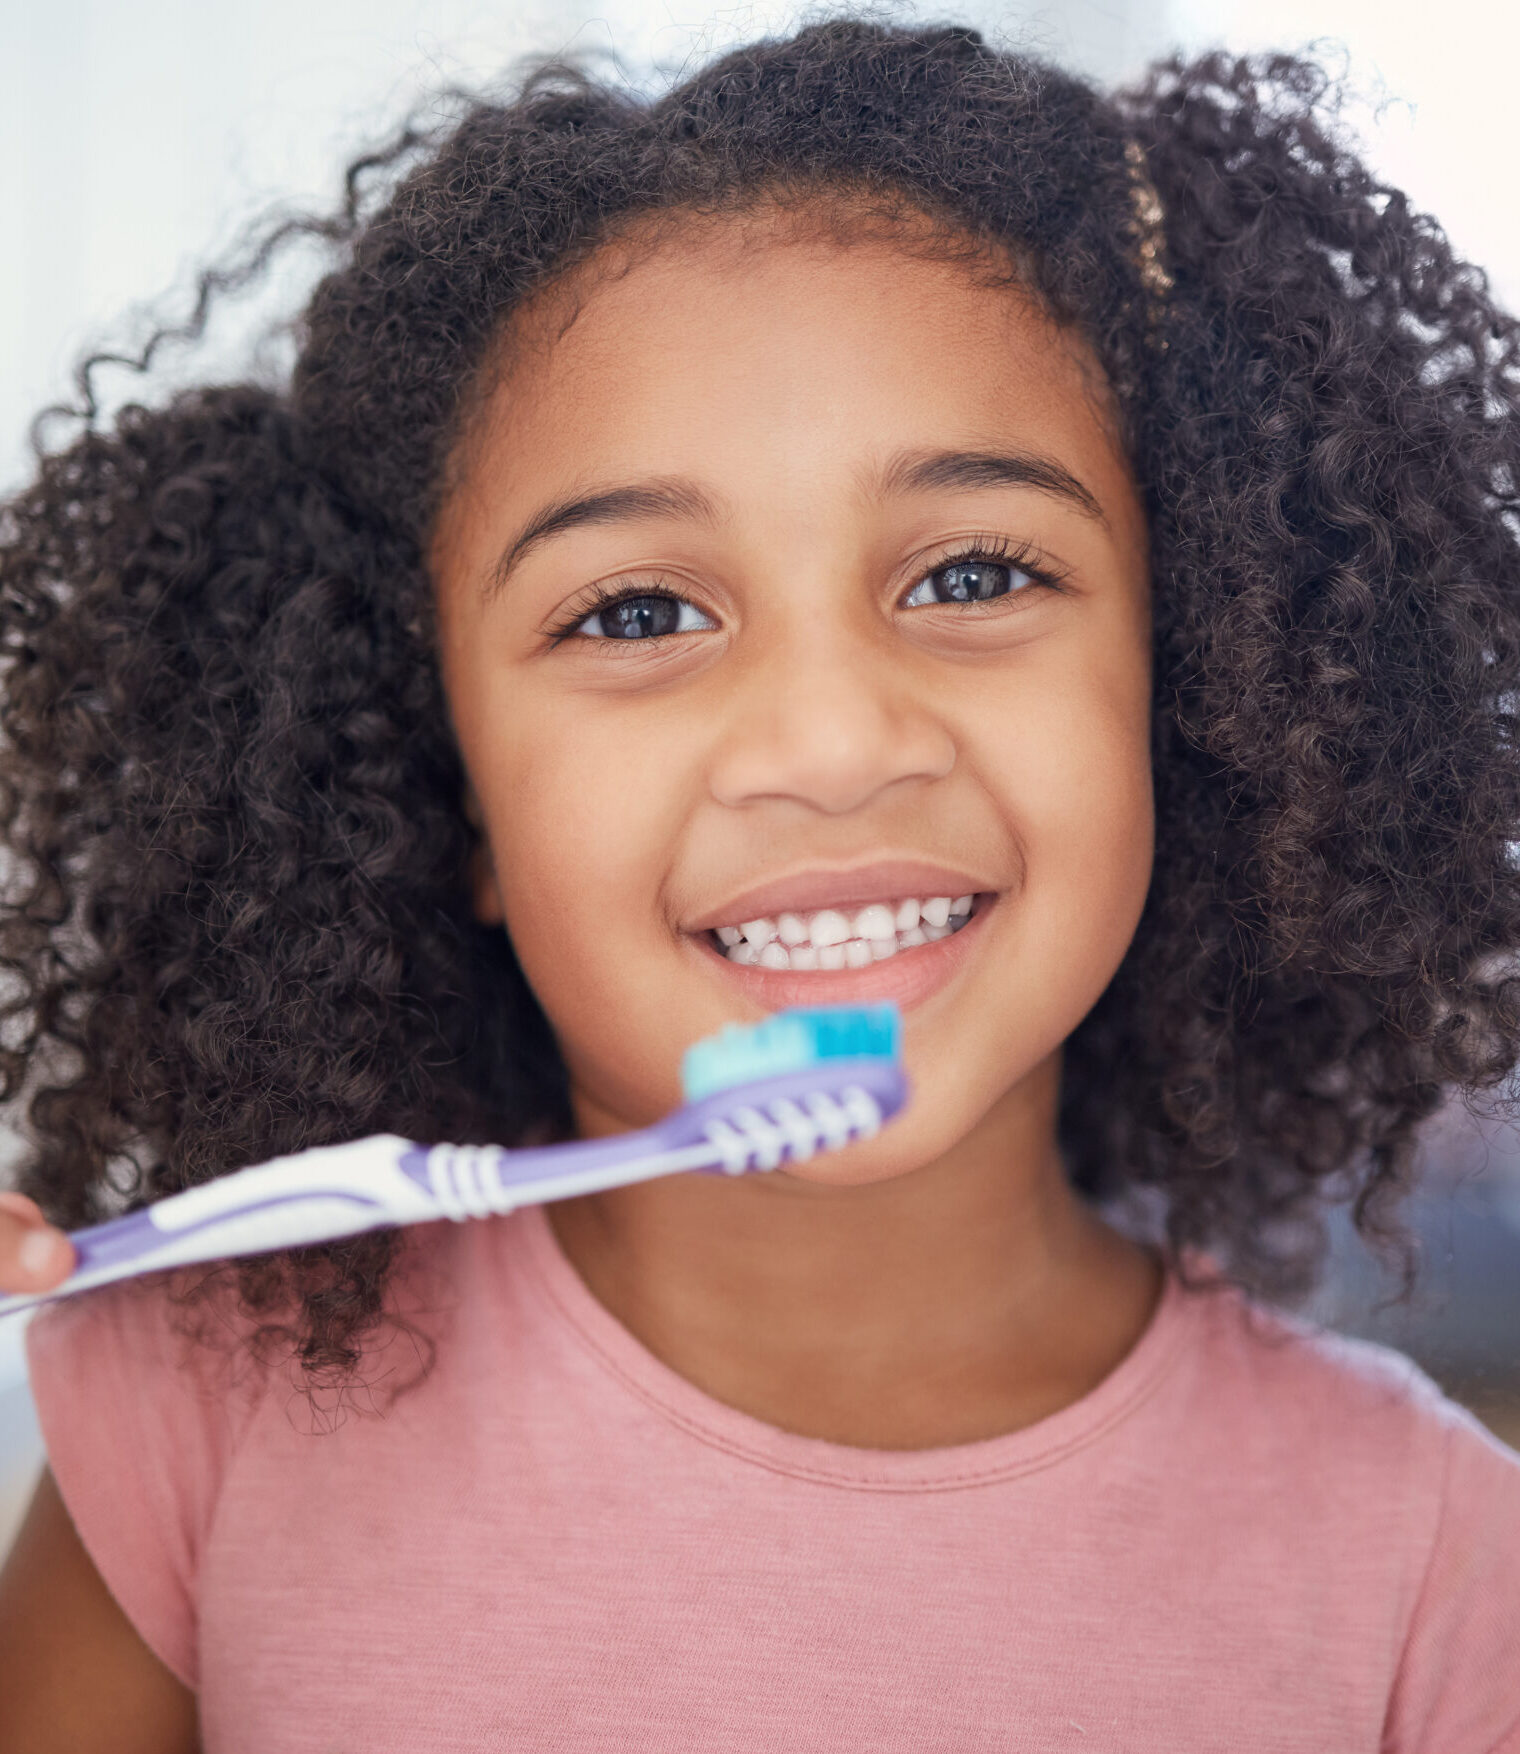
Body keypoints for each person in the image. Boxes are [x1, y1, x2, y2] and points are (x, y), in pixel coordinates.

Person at [0, 16, 1517, 1751]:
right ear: (444, 786)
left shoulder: (1437, 1576)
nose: (831, 739)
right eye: (639, 611)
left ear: (1196, 686)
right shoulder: (198, 1415)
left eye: (972, 575)